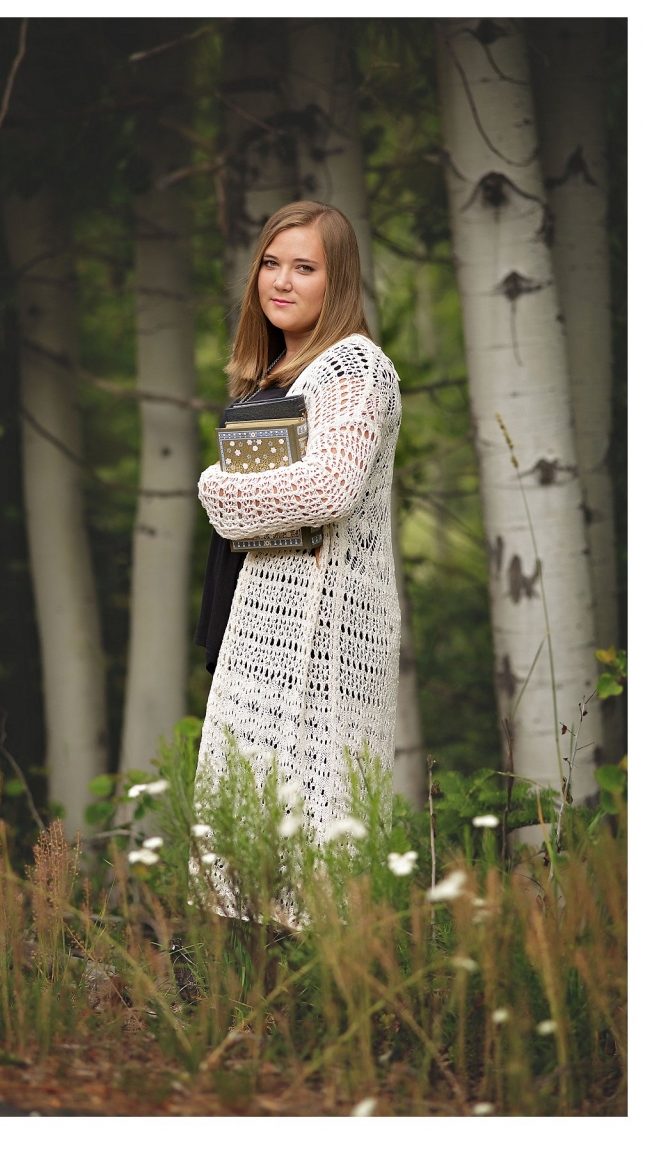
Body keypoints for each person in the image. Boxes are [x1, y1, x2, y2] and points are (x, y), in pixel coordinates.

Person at [194, 199, 402, 893]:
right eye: (271, 264)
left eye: (304, 268)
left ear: (336, 281)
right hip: (264, 617)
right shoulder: (283, 372)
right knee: (250, 827)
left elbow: (329, 491)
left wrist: (218, 493)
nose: (281, 281)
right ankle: (245, 987)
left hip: (318, 631)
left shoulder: (351, 366)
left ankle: (314, 991)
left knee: (311, 831)